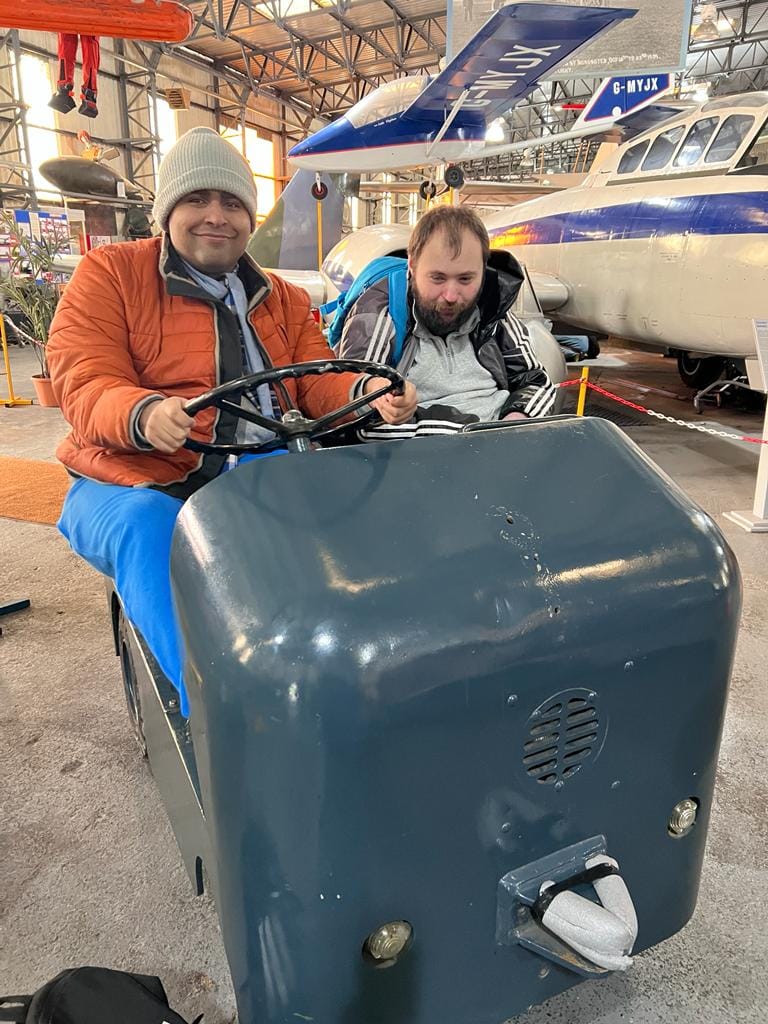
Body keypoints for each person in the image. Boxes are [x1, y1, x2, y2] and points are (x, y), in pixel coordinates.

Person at [48, 126, 416, 713]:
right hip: (138, 475)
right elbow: (84, 380)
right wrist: (142, 412)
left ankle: (371, 672)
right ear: (168, 211)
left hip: (259, 467)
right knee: (148, 529)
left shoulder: (283, 296)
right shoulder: (110, 275)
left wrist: (364, 391)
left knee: (359, 500)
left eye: (232, 203)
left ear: (249, 217)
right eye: (197, 199)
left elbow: (314, 379)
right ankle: (218, 711)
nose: (216, 216)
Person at [337, 205, 556, 440]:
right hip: (425, 454)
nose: (451, 296)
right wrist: (472, 435)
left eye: (465, 279)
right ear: (412, 265)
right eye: (437, 278)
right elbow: (356, 416)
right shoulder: (380, 316)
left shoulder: (492, 311)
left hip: (504, 442)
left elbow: (536, 381)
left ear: (483, 270)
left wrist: (517, 420)